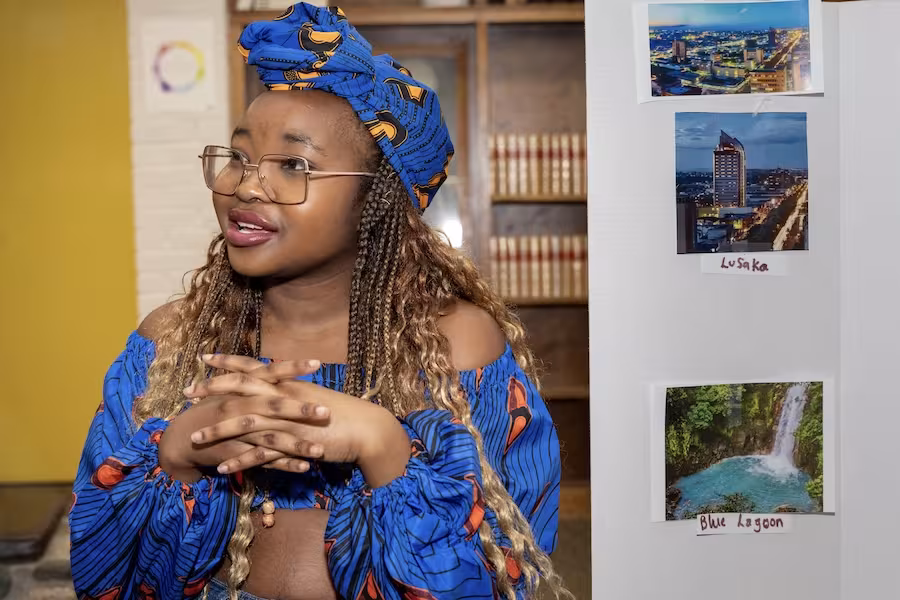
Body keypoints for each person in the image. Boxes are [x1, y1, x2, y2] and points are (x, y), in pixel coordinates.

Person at [69, 4, 569, 599]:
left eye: (295, 164)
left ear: (377, 203)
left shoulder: (459, 348)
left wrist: (382, 446)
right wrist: (177, 454)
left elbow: (501, 577)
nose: (246, 184)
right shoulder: (172, 342)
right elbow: (100, 573)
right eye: (240, 155)